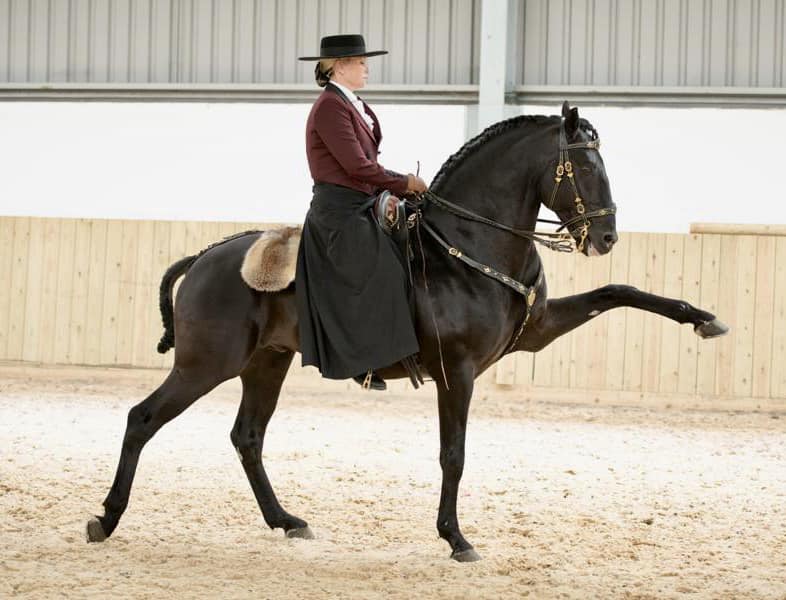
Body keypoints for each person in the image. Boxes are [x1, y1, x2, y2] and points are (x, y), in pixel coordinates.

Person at [295, 34, 428, 391]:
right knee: (382, 265)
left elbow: (367, 164)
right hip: (339, 212)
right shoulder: (329, 107)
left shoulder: (354, 104)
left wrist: (398, 188)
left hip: (364, 200)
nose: (367, 68)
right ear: (340, 67)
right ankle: (363, 359)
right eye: (360, 62)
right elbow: (356, 166)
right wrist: (404, 183)